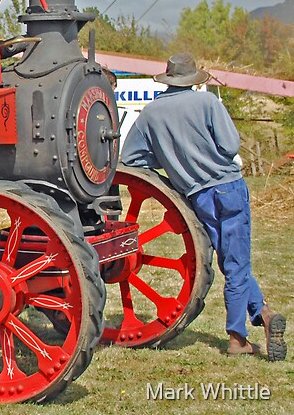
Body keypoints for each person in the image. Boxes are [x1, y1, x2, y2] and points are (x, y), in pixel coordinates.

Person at [120, 52, 286, 362]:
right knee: (236, 262)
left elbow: (132, 158)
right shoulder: (207, 103)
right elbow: (229, 145)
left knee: (229, 260)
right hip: (228, 187)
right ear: (192, 79)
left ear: (168, 78)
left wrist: (170, 160)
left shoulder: (151, 114)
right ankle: (237, 338)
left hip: (197, 195)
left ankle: (263, 312)